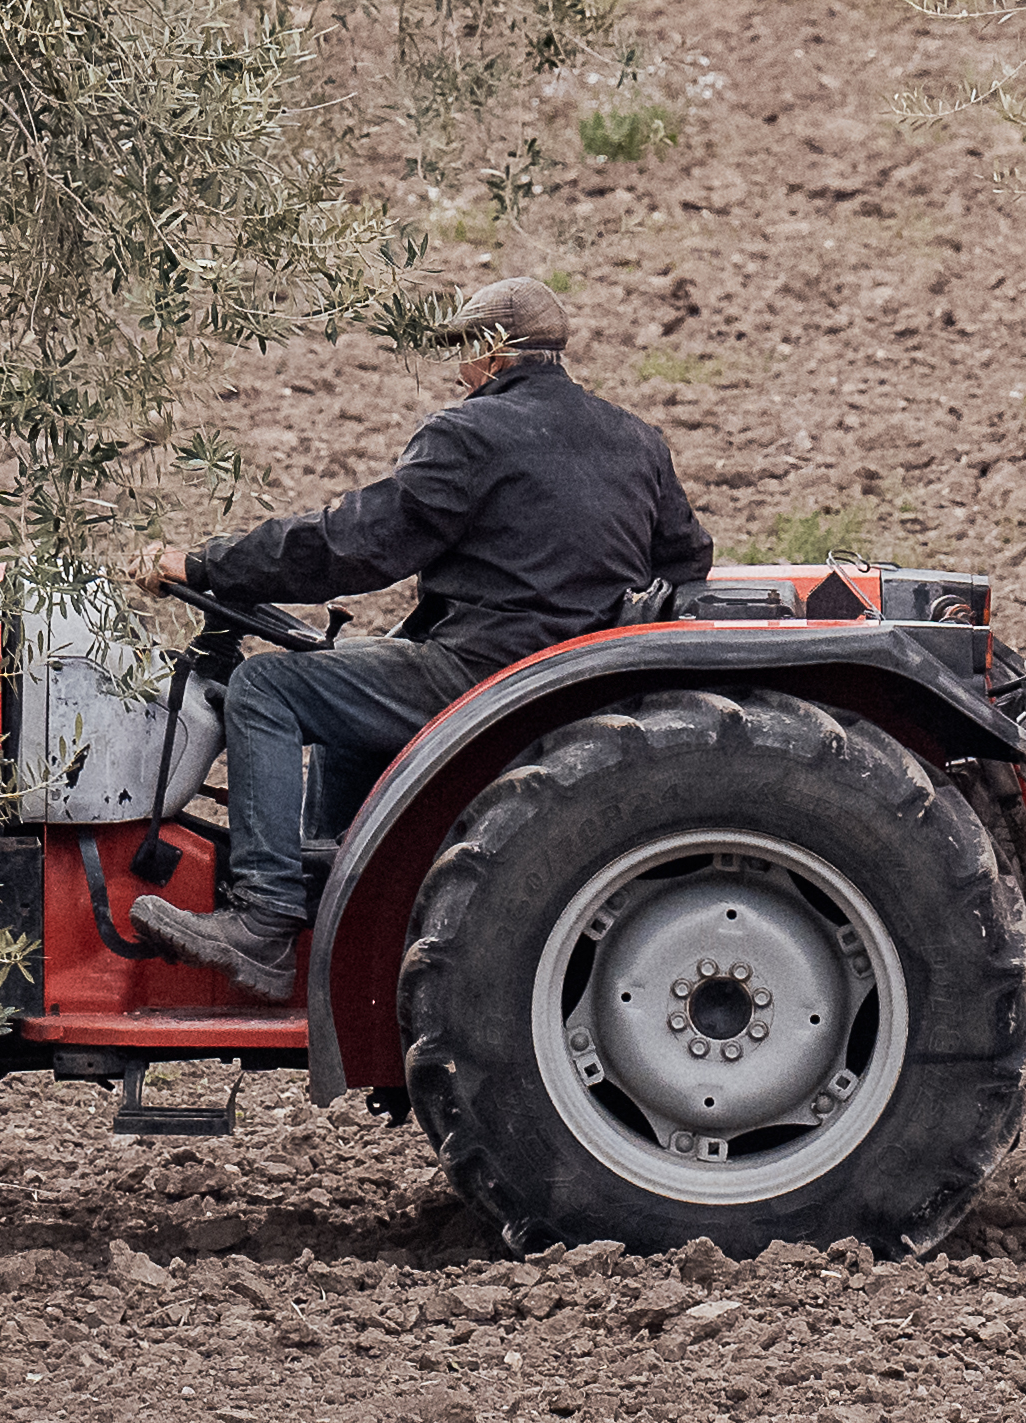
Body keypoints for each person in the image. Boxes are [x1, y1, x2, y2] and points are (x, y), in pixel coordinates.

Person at [121, 278, 706, 993]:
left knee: (265, 686)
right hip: (561, 678)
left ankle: (264, 921)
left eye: (464, 347)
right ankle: (331, 890)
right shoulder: (634, 440)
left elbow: (357, 544)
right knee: (339, 671)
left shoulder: (470, 435)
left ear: (493, 351)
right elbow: (687, 559)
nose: (458, 366)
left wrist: (211, 566)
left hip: (483, 674)